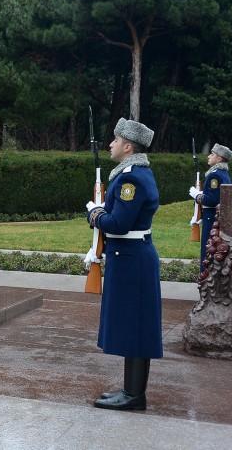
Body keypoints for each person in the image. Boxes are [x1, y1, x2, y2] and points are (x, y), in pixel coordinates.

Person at [85, 118, 162, 412]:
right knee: (134, 326)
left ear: (128, 146)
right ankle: (131, 390)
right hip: (129, 258)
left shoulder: (131, 178)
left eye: (115, 140)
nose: (111, 144)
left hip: (131, 260)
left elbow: (118, 224)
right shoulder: (132, 173)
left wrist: (95, 215)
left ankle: (134, 395)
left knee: (137, 326)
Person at [189, 144, 232, 270]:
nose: (209, 156)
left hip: (211, 217)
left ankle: (206, 277)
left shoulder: (215, 175)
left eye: (212, 154)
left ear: (219, 159)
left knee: (207, 249)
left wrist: (197, 195)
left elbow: (212, 200)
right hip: (214, 216)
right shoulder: (223, 173)